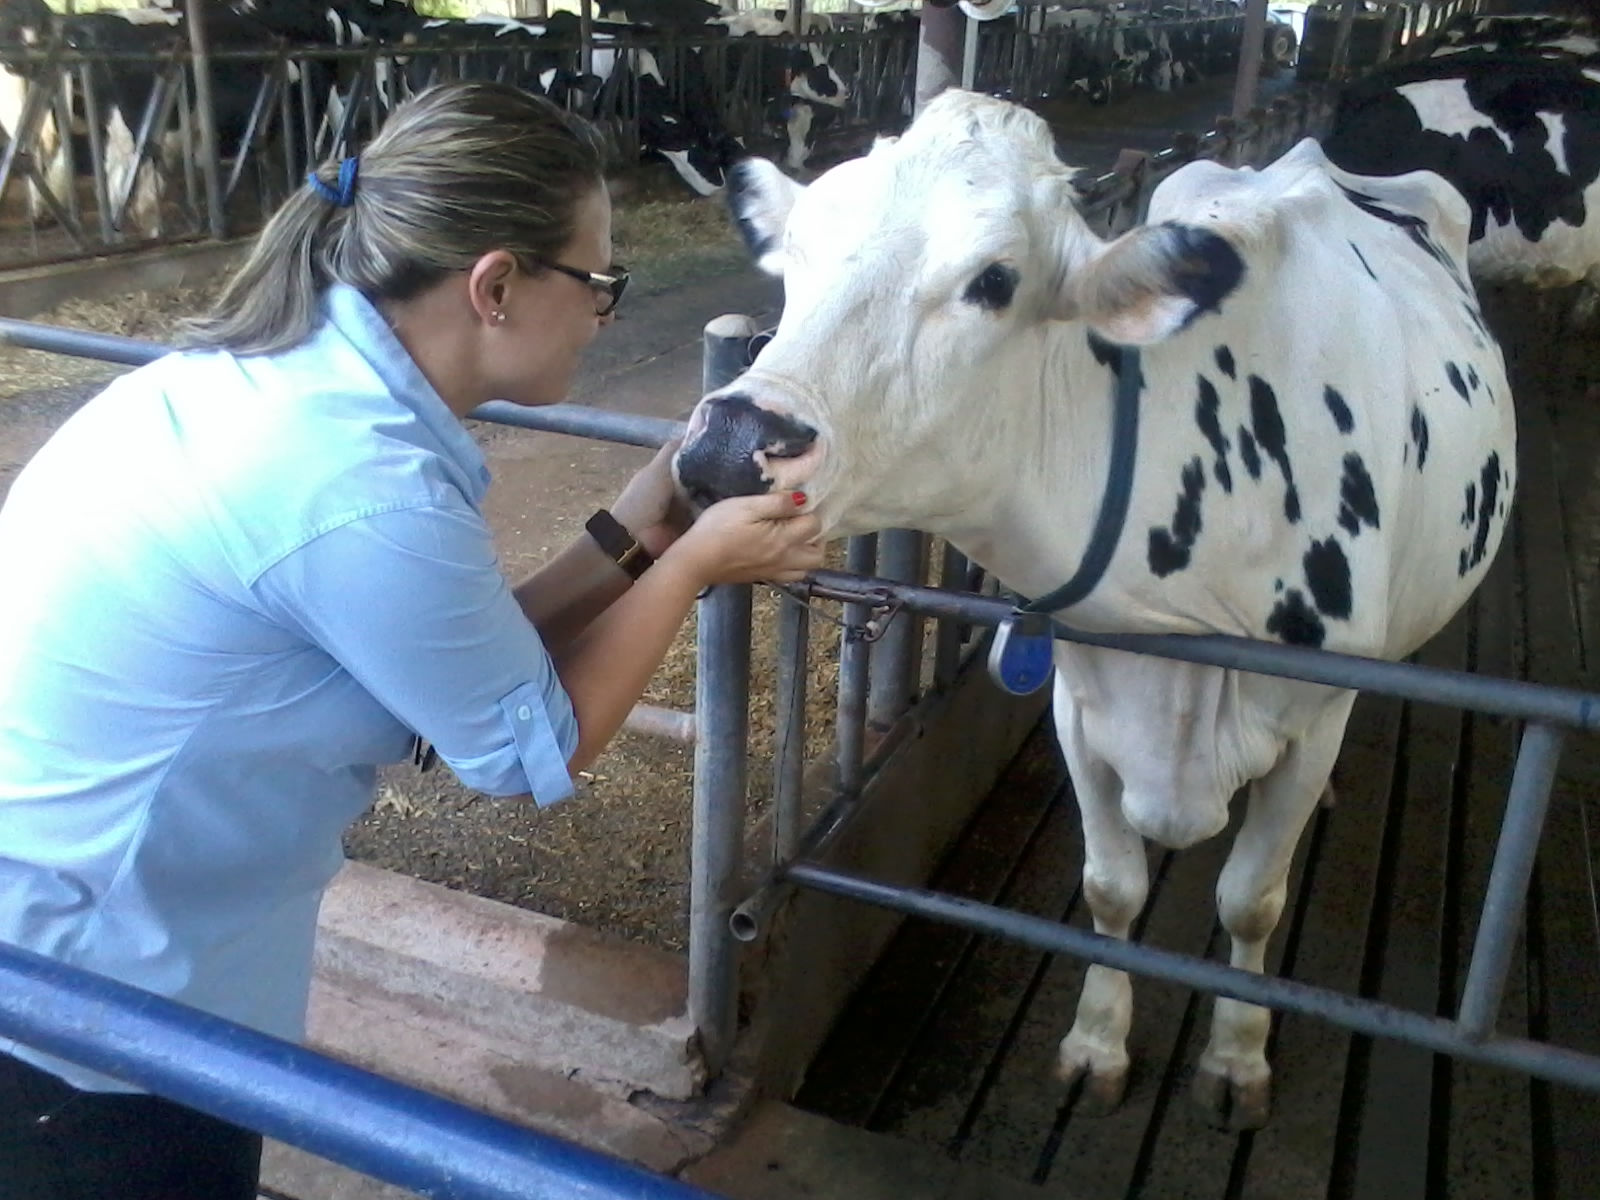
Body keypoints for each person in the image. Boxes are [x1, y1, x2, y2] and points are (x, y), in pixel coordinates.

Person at [0, 80, 822, 1199]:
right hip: (96, 1000)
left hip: (93, 929)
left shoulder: (270, 387)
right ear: (495, 286)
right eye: (599, 281)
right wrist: (692, 564)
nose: (605, 312)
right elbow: (531, 747)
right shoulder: (353, 481)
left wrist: (639, 522)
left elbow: (464, 669)